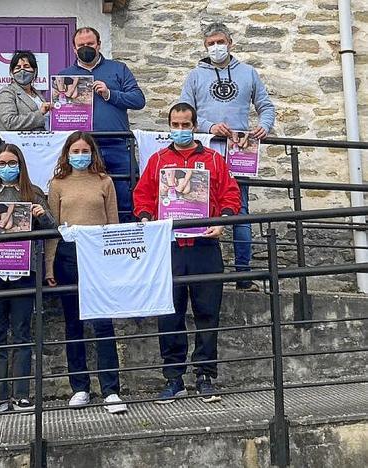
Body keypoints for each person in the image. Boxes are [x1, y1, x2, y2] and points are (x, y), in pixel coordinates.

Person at [133, 102, 240, 404]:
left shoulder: (214, 160)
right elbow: (142, 196)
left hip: (205, 245)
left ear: (194, 126)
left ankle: (205, 375)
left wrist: (223, 221)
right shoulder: (157, 161)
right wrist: (144, 218)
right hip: (169, 248)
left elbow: (230, 194)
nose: (180, 130)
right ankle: (173, 378)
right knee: (170, 313)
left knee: (208, 312)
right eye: (175, 125)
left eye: (185, 125)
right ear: (169, 126)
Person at [179, 22, 275, 291]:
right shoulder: (195, 76)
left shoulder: (248, 73)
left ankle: (243, 274)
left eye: (220, 41)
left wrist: (263, 127)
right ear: (205, 46)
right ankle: (200, 273)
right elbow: (183, 112)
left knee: (239, 211)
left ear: (230, 42)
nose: (216, 47)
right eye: (210, 43)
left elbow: (266, 106)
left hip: (238, 152)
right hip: (204, 150)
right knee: (197, 207)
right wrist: (208, 126)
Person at [0, 144, 56, 415]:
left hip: (24, 271)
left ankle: (22, 394)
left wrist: (42, 215)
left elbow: (52, 227)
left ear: (21, 164)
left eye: (11, 162)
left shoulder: (34, 194)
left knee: (23, 332)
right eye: (2, 163)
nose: (7, 167)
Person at [44, 131, 127, 414]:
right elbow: (52, 229)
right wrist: (49, 265)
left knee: (103, 323)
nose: (80, 155)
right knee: (73, 324)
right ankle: (80, 386)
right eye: (75, 151)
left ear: (93, 152)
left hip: (99, 255)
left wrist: (115, 262)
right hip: (68, 257)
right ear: (67, 154)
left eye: (85, 150)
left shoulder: (105, 181)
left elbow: (113, 223)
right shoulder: (57, 184)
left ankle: (111, 389)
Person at [58, 27, 146, 222]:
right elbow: (60, 114)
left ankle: (126, 243)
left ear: (99, 44)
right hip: (83, 149)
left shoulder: (118, 69)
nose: (85, 48)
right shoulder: (64, 75)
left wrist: (110, 94)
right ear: (74, 48)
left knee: (125, 198)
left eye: (90, 44)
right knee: (87, 200)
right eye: (81, 45)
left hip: (118, 144)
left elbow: (139, 100)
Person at [0, 50, 51, 131]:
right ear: (11, 72)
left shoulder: (37, 94)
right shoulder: (7, 93)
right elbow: (9, 122)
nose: (22, 71)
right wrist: (40, 113)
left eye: (26, 66)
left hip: (40, 141)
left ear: (34, 71)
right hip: (16, 143)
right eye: (18, 67)